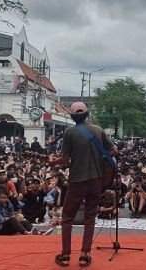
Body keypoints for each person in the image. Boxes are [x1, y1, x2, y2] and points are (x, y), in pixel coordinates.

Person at [49, 101, 117, 267]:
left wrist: (53, 161)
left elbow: (64, 161)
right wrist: (97, 157)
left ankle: (65, 256)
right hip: (96, 180)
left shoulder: (69, 132)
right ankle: (84, 255)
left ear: (72, 117)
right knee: (89, 218)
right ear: (87, 114)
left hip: (77, 181)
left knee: (67, 219)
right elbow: (114, 151)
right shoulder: (98, 130)